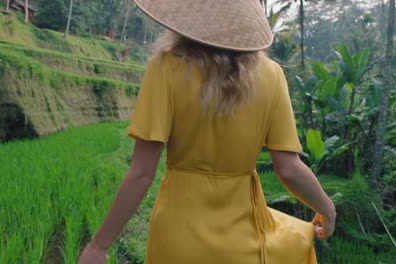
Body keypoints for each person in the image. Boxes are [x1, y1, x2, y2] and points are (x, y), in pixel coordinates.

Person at [78, 0, 336, 263]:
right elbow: (289, 169)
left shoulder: (166, 67)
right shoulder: (271, 75)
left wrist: (99, 245)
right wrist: (327, 208)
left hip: (178, 235)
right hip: (243, 239)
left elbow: (142, 173)